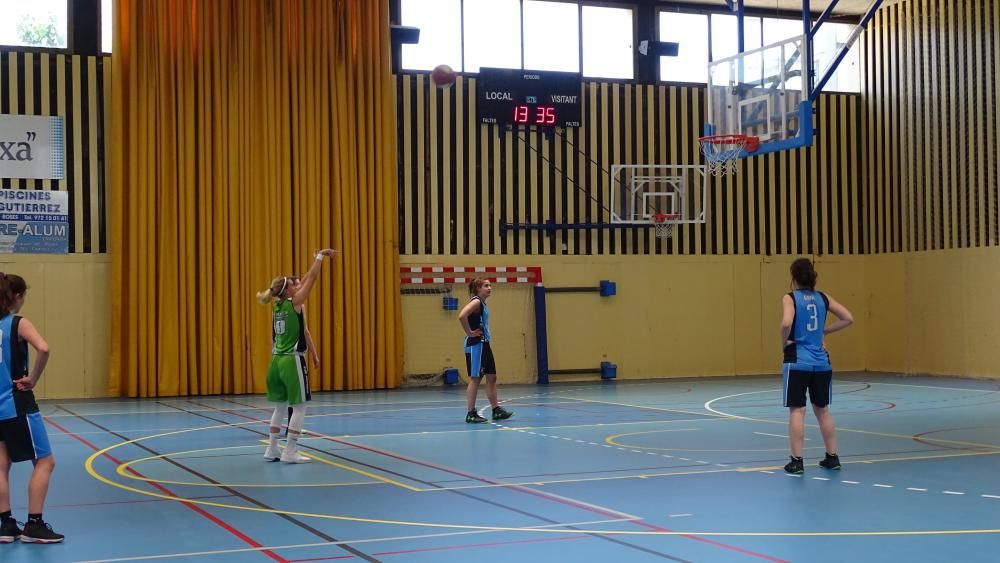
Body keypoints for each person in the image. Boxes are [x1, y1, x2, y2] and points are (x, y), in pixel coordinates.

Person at [256, 249, 337, 463]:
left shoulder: (277, 306)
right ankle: (290, 451)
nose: (298, 286)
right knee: (300, 407)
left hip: (276, 361)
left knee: (280, 407)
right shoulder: (295, 303)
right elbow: (313, 277)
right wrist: (320, 257)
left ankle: (272, 449)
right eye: (294, 285)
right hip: (291, 360)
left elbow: (307, 278)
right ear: (288, 290)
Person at [0, 274, 63, 544]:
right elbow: (44, 348)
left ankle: (5, 525)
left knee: (1, 464)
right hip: (16, 403)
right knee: (45, 462)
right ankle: (34, 524)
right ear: (16, 296)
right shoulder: (17, 323)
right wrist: (33, 378)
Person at [780, 258, 854, 474]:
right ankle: (832, 457)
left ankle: (797, 461)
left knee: (797, 410)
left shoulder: (790, 297)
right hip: (822, 362)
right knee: (822, 410)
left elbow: (786, 323)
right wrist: (824, 331)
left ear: (794, 278)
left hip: (798, 360)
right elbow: (848, 318)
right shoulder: (823, 298)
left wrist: (784, 342)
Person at [458, 279, 513, 424]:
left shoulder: (482, 303)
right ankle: (470, 413)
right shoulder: (476, 302)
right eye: (486, 286)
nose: (489, 288)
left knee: (491, 377)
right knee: (475, 378)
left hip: (485, 344)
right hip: (476, 345)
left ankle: (496, 410)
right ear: (478, 288)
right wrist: (469, 333)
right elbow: (462, 315)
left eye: (490, 285)